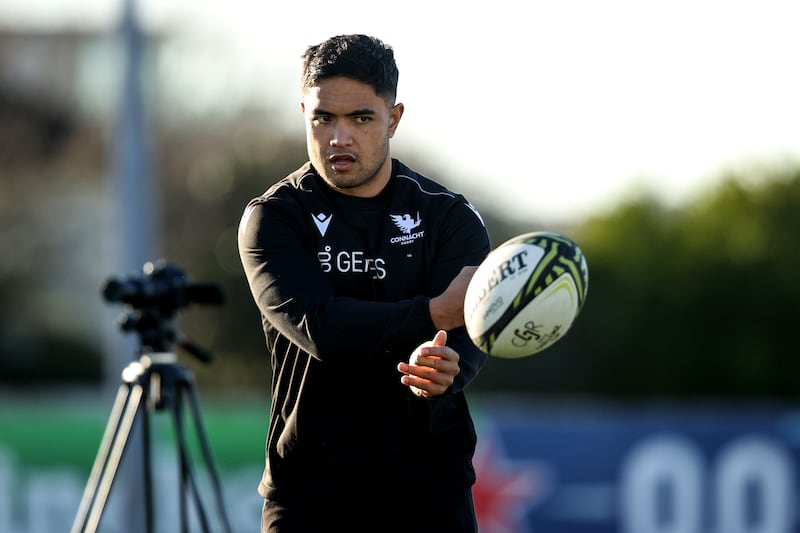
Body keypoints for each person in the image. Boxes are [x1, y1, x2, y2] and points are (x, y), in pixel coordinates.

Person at [237, 34, 491, 532]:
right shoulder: (273, 218)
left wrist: (445, 370)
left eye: (360, 118)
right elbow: (322, 328)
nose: (338, 138)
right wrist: (433, 312)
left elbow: (471, 333)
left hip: (427, 491)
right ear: (304, 113)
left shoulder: (449, 219)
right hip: (310, 493)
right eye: (323, 118)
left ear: (393, 118)